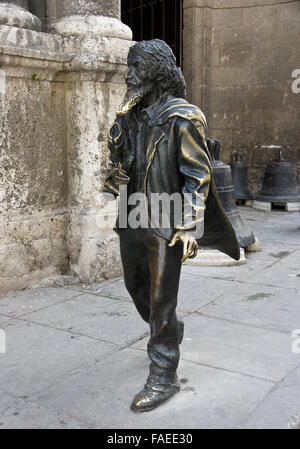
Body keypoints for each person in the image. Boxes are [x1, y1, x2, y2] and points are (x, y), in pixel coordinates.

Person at [103, 39, 239, 412]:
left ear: (155, 72)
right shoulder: (130, 115)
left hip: (166, 221)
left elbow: (198, 175)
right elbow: (123, 163)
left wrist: (188, 225)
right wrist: (116, 168)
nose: (128, 75)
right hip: (132, 215)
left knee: (162, 301)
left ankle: (163, 375)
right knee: (136, 287)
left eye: (135, 68)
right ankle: (170, 332)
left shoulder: (183, 117)